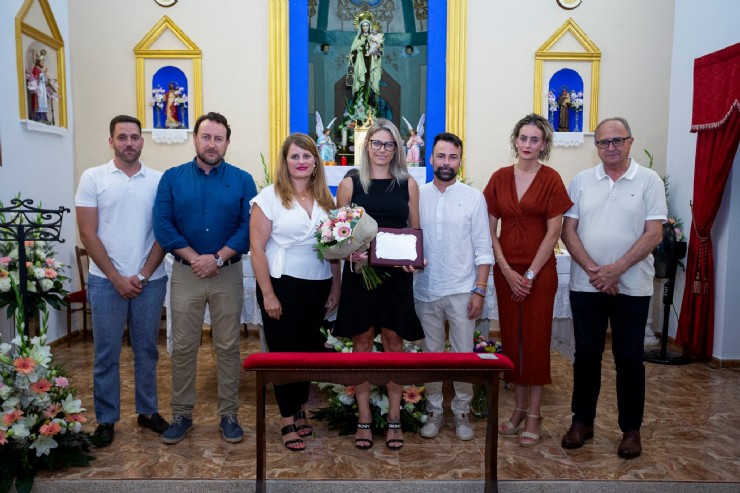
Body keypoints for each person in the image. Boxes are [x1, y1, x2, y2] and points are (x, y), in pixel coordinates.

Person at [560, 117, 666, 459]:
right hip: (586, 285)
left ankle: (630, 430)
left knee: (630, 359)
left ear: (630, 142)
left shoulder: (648, 181)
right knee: (586, 356)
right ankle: (582, 422)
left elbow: (654, 234)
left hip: (632, 286)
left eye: (617, 141)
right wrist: (595, 270)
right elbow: (568, 230)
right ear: (597, 146)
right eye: (604, 142)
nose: (610, 147)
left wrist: (616, 270)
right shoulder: (581, 181)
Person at [154, 112, 257, 445]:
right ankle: (182, 414)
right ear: (194, 138)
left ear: (227, 142)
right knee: (183, 347)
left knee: (227, 347)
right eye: (206, 137)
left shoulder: (243, 181)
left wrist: (216, 258)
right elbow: (164, 225)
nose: (212, 144)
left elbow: (247, 228)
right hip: (187, 275)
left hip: (227, 274)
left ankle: (228, 414)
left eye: (218, 138)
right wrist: (195, 258)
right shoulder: (172, 178)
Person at [75, 115, 169, 447]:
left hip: (150, 280)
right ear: (111, 141)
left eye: (134, 136)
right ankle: (106, 419)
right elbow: (87, 232)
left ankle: (148, 411)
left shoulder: (159, 181)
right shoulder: (93, 177)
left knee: (147, 350)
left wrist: (142, 274)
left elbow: (164, 232)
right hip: (104, 281)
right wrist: (115, 277)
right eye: (122, 137)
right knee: (106, 353)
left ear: (142, 141)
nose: (129, 142)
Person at [333, 118, 424, 451]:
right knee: (362, 341)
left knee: (393, 342)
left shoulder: (407, 184)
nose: (382, 150)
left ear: (397, 148)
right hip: (361, 278)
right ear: (366, 145)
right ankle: (364, 418)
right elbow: (339, 234)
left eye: (389, 144)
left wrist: (416, 258)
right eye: (376, 143)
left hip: (395, 277)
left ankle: (396, 418)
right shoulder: (350, 183)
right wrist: (350, 254)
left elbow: (414, 231)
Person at [482, 113, 572, 447]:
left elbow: (554, 232)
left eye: (535, 139)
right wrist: (506, 269)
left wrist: (530, 274)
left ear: (544, 144)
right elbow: (488, 230)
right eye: (523, 138)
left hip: (539, 273)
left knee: (534, 341)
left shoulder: (551, 179)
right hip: (506, 272)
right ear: (515, 140)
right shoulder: (499, 177)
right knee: (513, 340)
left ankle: (534, 413)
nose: (528, 145)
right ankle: (518, 409)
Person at [250, 133, 341, 452]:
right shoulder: (269, 197)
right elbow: (257, 250)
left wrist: (336, 286)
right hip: (282, 282)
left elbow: (334, 247)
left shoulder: (325, 199)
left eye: (307, 156)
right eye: (295, 156)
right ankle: (287, 419)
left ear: (316, 160)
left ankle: (300, 408)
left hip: (317, 283)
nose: (301, 162)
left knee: (308, 350)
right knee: (284, 352)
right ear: (285, 161)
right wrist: (268, 294)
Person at [414, 132, 493, 441]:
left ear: (460, 161)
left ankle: (461, 411)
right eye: (441, 156)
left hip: (463, 290)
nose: (446, 162)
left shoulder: (473, 198)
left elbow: (483, 248)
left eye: (453, 157)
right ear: (431, 159)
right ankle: (434, 410)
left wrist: (480, 289)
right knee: (431, 353)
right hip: (425, 289)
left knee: (462, 354)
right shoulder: (417, 195)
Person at [349, 17, 382, 104]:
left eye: (367, 26)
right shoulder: (358, 38)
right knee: (360, 83)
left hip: (370, 64)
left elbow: (379, 52)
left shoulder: (373, 37)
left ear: (369, 27)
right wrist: (356, 52)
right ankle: (359, 104)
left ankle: (370, 105)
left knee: (370, 82)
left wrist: (375, 51)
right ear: (361, 27)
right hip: (360, 65)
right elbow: (353, 51)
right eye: (363, 26)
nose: (365, 27)